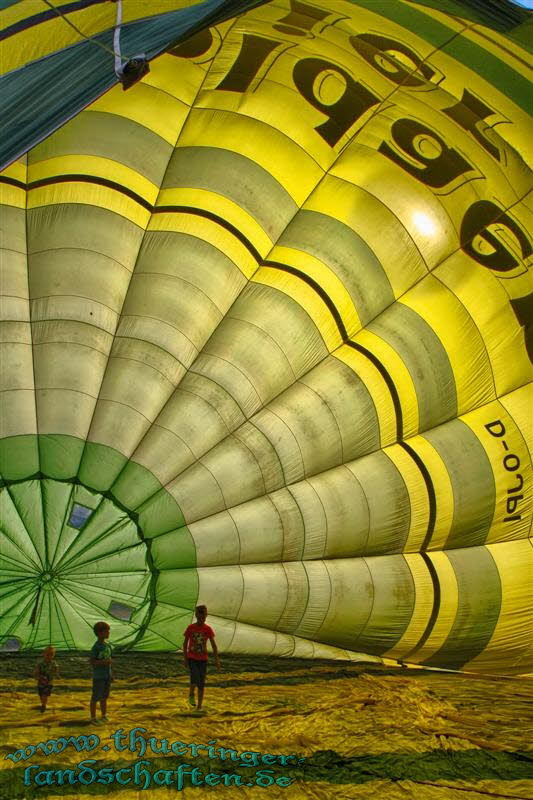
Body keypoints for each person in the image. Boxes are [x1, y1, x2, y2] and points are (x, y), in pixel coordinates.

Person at [183, 605, 220, 712]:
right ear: (196, 615)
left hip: (203, 659)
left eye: (203, 618)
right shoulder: (191, 628)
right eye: (199, 617)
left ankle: (199, 706)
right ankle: (191, 693)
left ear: (206, 616)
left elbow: (214, 645)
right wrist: (185, 658)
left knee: (201, 683)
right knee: (195, 677)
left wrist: (216, 659)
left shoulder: (208, 629)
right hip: (192, 657)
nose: (201, 620)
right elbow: (185, 644)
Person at [89, 621, 112, 724]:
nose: (108, 633)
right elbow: (92, 661)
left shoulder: (107, 646)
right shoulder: (96, 647)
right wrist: (103, 662)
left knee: (104, 696)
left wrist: (111, 674)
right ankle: (93, 717)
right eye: (106, 631)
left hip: (107, 675)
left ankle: (103, 715)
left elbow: (108, 660)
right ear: (99, 633)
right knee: (96, 697)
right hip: (99, 676)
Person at [34, 646, 59, 713]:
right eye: (47, 654)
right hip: (41, 681)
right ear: (44, 654)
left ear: (53, 656)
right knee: (41, 694)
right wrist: (37, 676)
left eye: (51, 655)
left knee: (45, 693)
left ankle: (43, 705)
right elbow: (36, 670)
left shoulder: (53, 663)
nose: (49, 656)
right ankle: (43, 703)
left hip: (49, 682)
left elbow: (56, 669)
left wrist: (56, 674)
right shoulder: (40, 663)